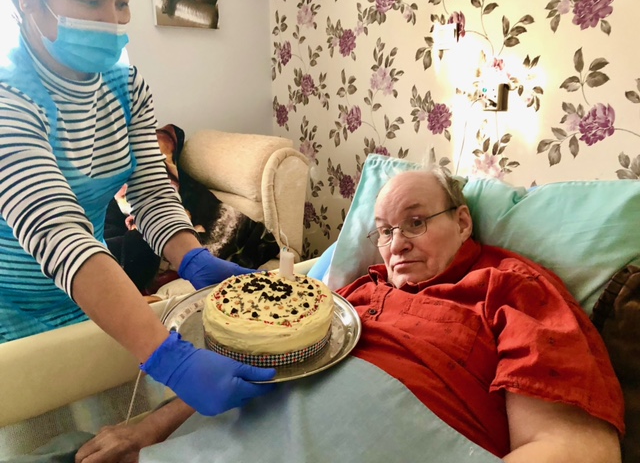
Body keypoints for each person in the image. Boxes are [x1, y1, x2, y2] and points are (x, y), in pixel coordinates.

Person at [73, 168, 625, 463]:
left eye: (415, 222)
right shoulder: (356, 293)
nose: (396, 243)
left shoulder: (511, 287)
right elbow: (252, 375)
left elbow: (578, 449)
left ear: (462, 222)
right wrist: (145, 430)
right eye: (383, 231)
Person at [0, 0, 275, 419]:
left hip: (97, 291)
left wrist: (193, 258)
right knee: (39, 433)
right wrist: (171, 359)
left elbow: (151, 192)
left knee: (121, 424)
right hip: (12, 310)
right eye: (90, 1)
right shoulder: (8, 96)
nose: (112, 20)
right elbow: (57, 230)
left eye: (123, 2)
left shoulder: (126, 87)